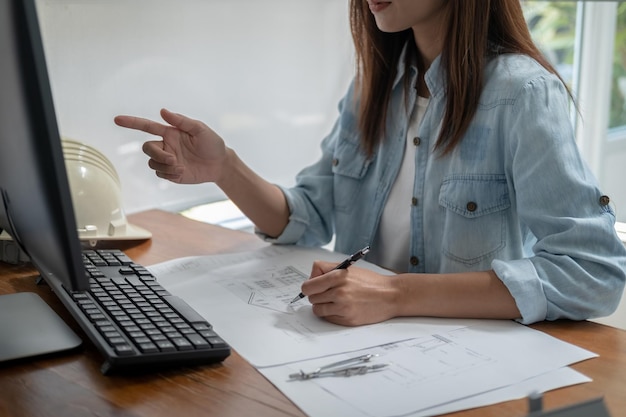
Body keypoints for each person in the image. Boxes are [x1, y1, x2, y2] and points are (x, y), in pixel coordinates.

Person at [114, 0, 626, 327]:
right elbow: (308, 215)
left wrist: (396, 294)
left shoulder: (522, 91)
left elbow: (592, 273)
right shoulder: (372, 88)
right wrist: (225, 169)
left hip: (472, 365)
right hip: (363, 350)